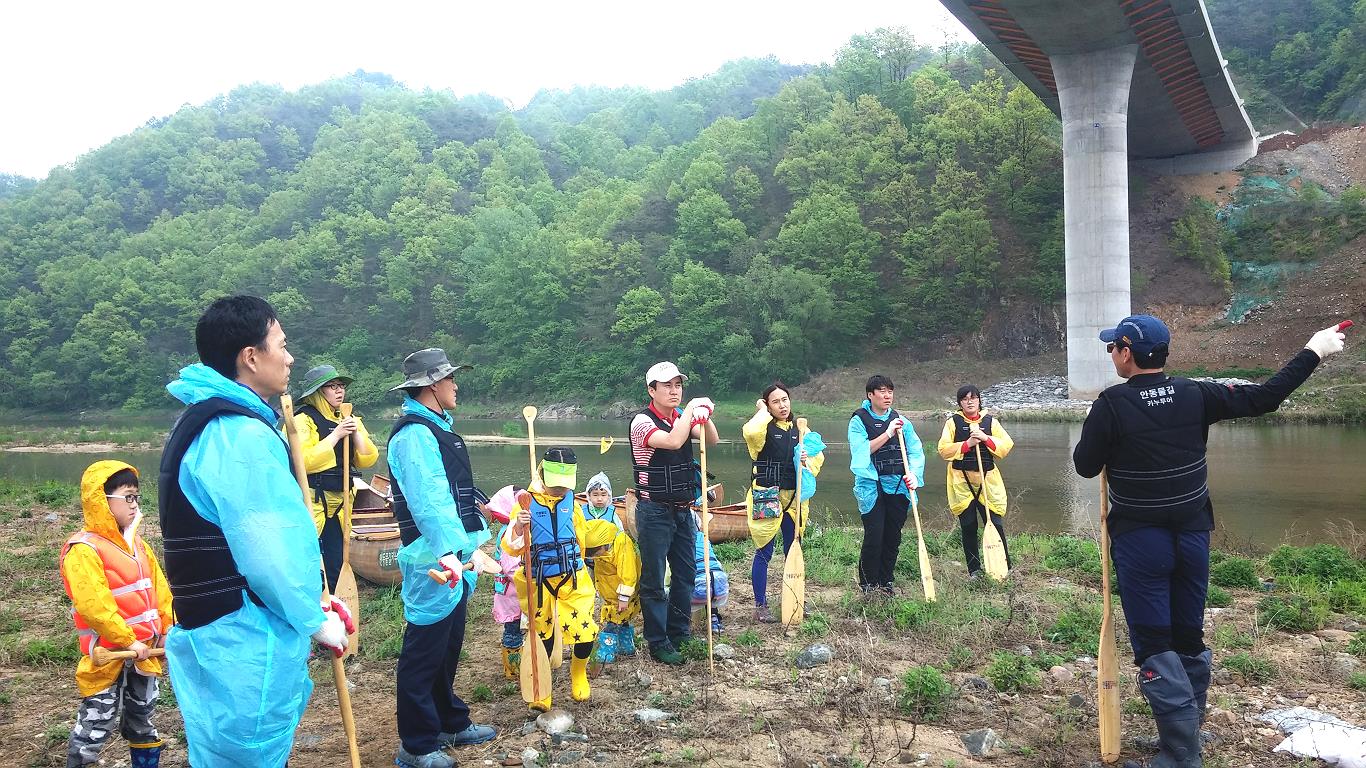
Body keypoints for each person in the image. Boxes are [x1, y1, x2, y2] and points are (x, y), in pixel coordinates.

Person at [1074, 315, 1348, 768]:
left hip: (1142, 541)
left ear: (1126, 352)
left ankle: (1180, 755)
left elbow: (1086, 466)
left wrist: (1098, 429)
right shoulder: (1196, 393)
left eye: (1112, 348)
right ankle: (1187, 731)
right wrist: (1313, 350)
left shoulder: (1111, 405)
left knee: (1154, 641)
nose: (1111, 355)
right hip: (1193, 535)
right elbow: (1265, 398)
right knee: (1187, 633)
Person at [160, 295, 351, 767]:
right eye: (281, 346)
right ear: (251, 356)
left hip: (215, 629)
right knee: (249, 752)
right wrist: (312, 616)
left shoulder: (203, 420)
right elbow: (268, 551)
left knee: (223, 751)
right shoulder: (238, 435)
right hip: (240, 634)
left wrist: (316, 597)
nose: (289, 358)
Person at [386, 348, 496, 768]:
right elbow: (428, 501)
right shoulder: (414, 433)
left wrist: (485, 506)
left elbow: (451, 488)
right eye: (450, 378)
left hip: (454, 556)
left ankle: (448, 720)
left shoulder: (437, 428)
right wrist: (450, 554)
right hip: (432, 559)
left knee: (448, 644)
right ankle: (415, 745)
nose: (455, 385)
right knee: (424, 651)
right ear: (432, 385)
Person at [61, 461, 174, 768]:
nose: (134, 504)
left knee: (143, 716)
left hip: (145, 652)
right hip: (107, 653)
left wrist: (167, 628)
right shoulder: (83, 549)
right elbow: (94, 605)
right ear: (102, 500)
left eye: (137, 497)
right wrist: (127, 639)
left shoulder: (139, 546)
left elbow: (160, 590)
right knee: (97, 721)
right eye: (127, 497)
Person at [628, 361, 718, 665]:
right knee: (654, 578)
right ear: (651, 390)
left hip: (683, 510)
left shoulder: (680, 416)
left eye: (678, 385)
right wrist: (693, 408)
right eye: (667, 385)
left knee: (686, 574)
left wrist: (705, 415)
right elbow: (673, 441)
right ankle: (658, 641)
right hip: (654, 511)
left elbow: (711, 440)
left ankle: (679, 632)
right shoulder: (642, 422)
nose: (674, 390)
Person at [501, 448, 599, 711]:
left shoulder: (573, 505)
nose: (560, 491)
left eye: (565, 486)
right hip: (539, 580)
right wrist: (521, 525)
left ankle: (578, 673)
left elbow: (582, 539)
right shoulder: (525, 503)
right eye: (556, 485)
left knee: (584, 630)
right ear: (543, 475)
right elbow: (510, 546)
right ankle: (542, 690)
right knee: (542, 634)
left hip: (572, 578)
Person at [292, 364, 379, 592]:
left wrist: (355, 432)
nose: (339, 391)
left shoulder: (350, 417)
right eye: (331, 386)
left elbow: (367, 459)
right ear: (317, 392)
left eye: (341, 386)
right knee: (307, 558)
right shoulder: (303, 420)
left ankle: (335, 600)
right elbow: (302, 461)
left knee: (337, 560)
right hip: (312, 503)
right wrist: (337, 434)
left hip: (341, 503)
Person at [742, 382, 824, 622]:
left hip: (793, 498)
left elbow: (816, 461)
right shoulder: (762, 430)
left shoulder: (801, 430)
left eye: (785, 399)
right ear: (768, 406)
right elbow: (749, 431)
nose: (782, 405)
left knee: (793, 548)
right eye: (775, 401)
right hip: (767, 494)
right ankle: (761, 605)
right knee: (765, 550)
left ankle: (795, 597)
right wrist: (761, 411)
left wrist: (807, 460)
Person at [848, 375, 924, 595]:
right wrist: (887, 433)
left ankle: (886, 581)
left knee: (893, 535)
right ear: (870, 395)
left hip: (899, 485)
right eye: (881, 391)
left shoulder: (902, 421)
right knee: (875, 534)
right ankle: (868, 583)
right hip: (871, 487)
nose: (887, 395)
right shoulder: (858, 421)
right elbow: (861, 452)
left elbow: (915, 451)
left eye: (890, 391)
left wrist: (914, 475)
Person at [936, 385, 1015, 579]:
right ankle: (974, 570)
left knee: (995, 523)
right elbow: (943, 449)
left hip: (987, 481)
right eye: (965, 399)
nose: (970, 402)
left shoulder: (991, 423)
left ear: (979, 400)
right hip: (961, 482)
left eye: (973, 398)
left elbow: (1006, 446)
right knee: (968, 525)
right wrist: (967, 444)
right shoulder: (952, 423)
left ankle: (1005, 566)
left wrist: (985, 438)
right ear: (960, 403)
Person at [583, 518, 641, 670]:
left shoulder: (621, 545)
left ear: (604, 544)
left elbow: (628, 573)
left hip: (622, 595)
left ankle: (606, 652)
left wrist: (624, 597)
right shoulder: (602, 551)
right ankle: (626, 646)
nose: (592, 556)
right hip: (610, 593)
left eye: (594, 552)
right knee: (622, 620)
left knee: (612, 623)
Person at [484, 485, 524, 680]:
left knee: (523, 628)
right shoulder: (508, 535)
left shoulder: (515, 530)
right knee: (513, 631)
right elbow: (510, 568)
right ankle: (513, 669)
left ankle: (525, 661)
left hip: (520, 593)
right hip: (512, 594)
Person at [691, 509, 730, 633]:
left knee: (674, 588)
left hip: (698, 592)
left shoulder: (680, 541)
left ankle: (681, 622)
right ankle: (714, 617)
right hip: (721, 592)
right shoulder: (704, 537)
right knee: (710, 577)